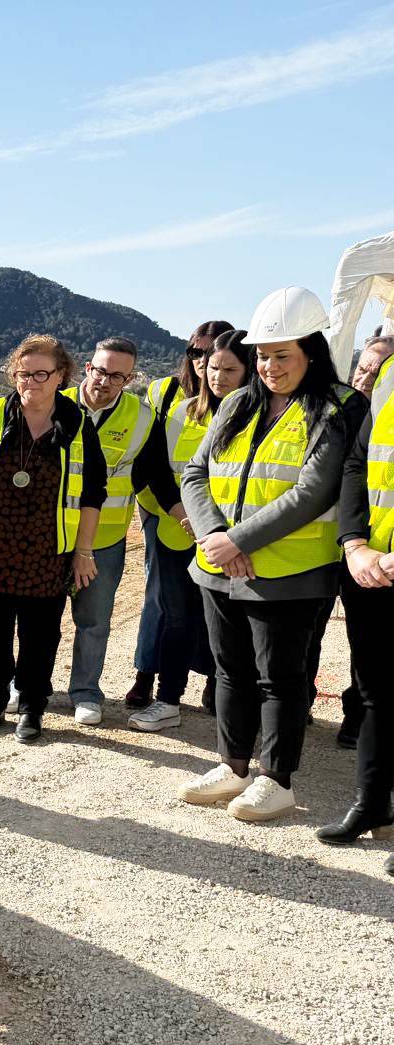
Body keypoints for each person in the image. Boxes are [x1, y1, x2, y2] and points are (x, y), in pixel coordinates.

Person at [177, 287, 362, 823]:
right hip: (220, 566)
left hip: (291, 571)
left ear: (311, 350)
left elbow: (314, 491)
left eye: (282, 355)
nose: (269, 366)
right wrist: (216, 536)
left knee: (280, 679)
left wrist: (239, 541)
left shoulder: (338, 407)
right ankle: (233, 766)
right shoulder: (237, 403)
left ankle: (275, 779)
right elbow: (195, 473)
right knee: (230, 670)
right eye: (262, 355)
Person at [0, 335, 105, 744]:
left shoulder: (78, 425)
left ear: (62, 375)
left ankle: (32, 708)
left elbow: (92, 495)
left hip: (48, 553)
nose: (31, 381)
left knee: (40, 639)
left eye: (41, 374)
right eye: (23, 373)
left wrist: (83, 551)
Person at [129, 330, 250, 732]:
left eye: (229, 369)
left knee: (228, 622)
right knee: (177, 618)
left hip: (234, 541)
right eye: (212, 367)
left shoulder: (257, 416)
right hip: (177, 531)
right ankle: (167, 700)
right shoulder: (182, 409)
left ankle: (222, 691)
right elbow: (153, 469)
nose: (216, 376)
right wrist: (186, 516)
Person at [59, 338, 183, 727]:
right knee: (38, 618)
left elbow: (158, 477)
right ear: (86, 366)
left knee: (94, 621)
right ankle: (27, 686)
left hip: (105, 541)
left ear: (129, 379)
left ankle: (86, 693)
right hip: (51, 536)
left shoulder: (142, 417)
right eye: (100, 371)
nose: (105, 382)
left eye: (117, 376)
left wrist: (185, 516)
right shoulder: (55, 404)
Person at [320, 348, 394, 869]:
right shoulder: (389, 376)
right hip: (373, 569)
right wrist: (354, 542)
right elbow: (358, 463)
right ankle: (371, 805)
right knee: (374, 693)